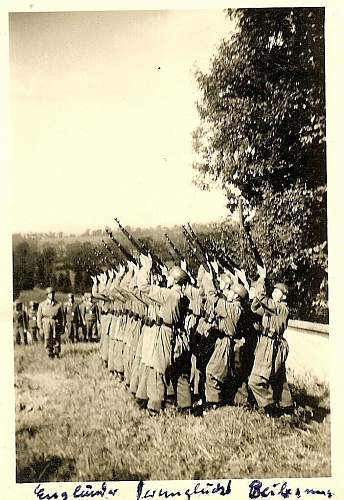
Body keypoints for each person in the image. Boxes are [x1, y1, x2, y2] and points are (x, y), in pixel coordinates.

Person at [248, 267, 294, 416]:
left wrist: (262, 277)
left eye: (277, 292)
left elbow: (262, 297)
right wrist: (257, 295)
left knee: (255, 380)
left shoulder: (281, 308)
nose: (273, 293)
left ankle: (270, 408)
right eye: (273, 291)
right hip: (270, 343)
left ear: (284, 296)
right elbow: (255, 308)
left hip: (271, 344)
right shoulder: (273, 309)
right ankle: (287, 408)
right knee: (278, 378)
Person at [205, 275, 248, 410]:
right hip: (226, 341)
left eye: (231, 291)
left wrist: (209, 279)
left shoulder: (232, 308)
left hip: (225, 343)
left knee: (212, 373)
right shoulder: (235, 307)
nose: (227, 292)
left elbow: (213, 299)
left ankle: (214, 404)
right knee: (223, 373)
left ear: (236, 296)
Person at [37, 287, 64, 358]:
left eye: (53, 293)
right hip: (46, 324)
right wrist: (40, 327)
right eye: (50, 294)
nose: (52, 295)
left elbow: (62, 317)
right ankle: (49, 353)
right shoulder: (42, 305)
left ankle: (57, 353)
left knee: (56, 338)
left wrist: (62, 326)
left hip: (55, 323)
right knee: (47, 338)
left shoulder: (58, 304)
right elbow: (39, 317)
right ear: (47, 295)